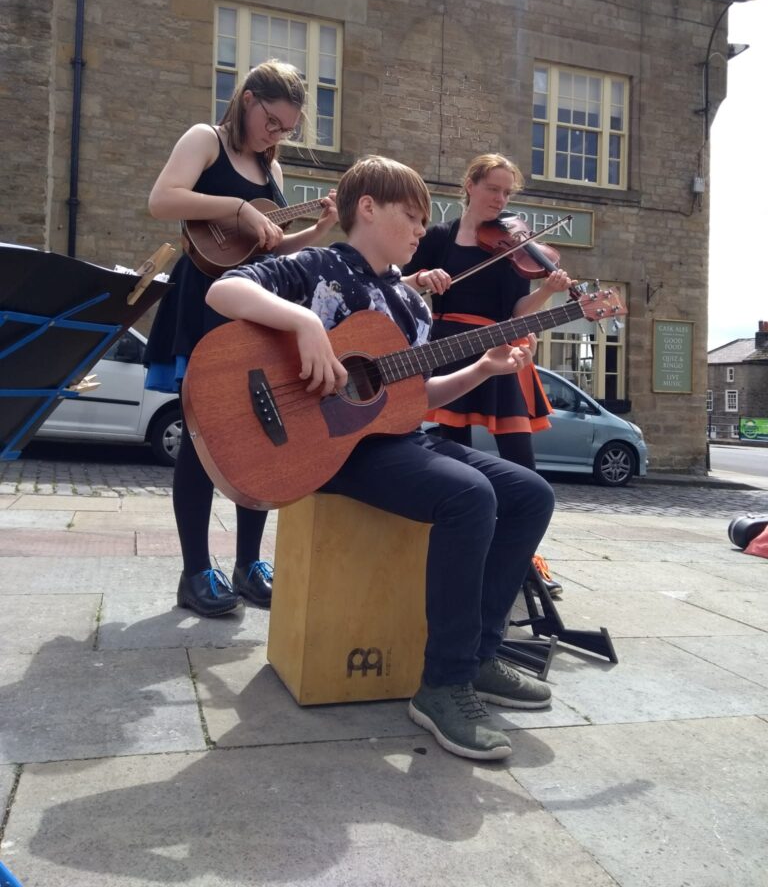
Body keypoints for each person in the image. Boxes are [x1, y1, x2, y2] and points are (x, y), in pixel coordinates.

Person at [205, 155, 556, 762]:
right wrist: (303, 322)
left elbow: (411, 399)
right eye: (412, 216)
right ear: (367, 208)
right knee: (469, 495)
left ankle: (477, 655)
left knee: (530, 494)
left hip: (391, 440)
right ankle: (442, 685)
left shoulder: (411, 304)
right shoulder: (320, 266)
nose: (422, 230)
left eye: (424, 220)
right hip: (331, 449)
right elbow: (222, 289)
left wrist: (481, 369)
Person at [144, 60, 338, 618]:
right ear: (248, 99)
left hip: (252, 311)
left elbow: (264, 251)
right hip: (202, 304)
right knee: (202, 437)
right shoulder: (205, 139)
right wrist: (236, 207)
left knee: (262, 433)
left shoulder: (270, 167)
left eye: (286, 130)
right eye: (271, 121)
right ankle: (195, 572)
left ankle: (249, 564)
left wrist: (316, 232)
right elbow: (162, 199)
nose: (276, 135)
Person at [402, 153, 570, 597]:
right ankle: (465, 550)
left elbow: (517, 311)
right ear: (470, 186)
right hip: (447, 348)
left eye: (507, 192)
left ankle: (525, 558)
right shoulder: (438, 237)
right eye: (493, 188)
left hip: (498, 346)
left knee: (522, 461)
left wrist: (546, 292)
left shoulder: (514, 245)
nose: (500, 199)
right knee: (455, 457)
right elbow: (400, 284)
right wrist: (424, 277)